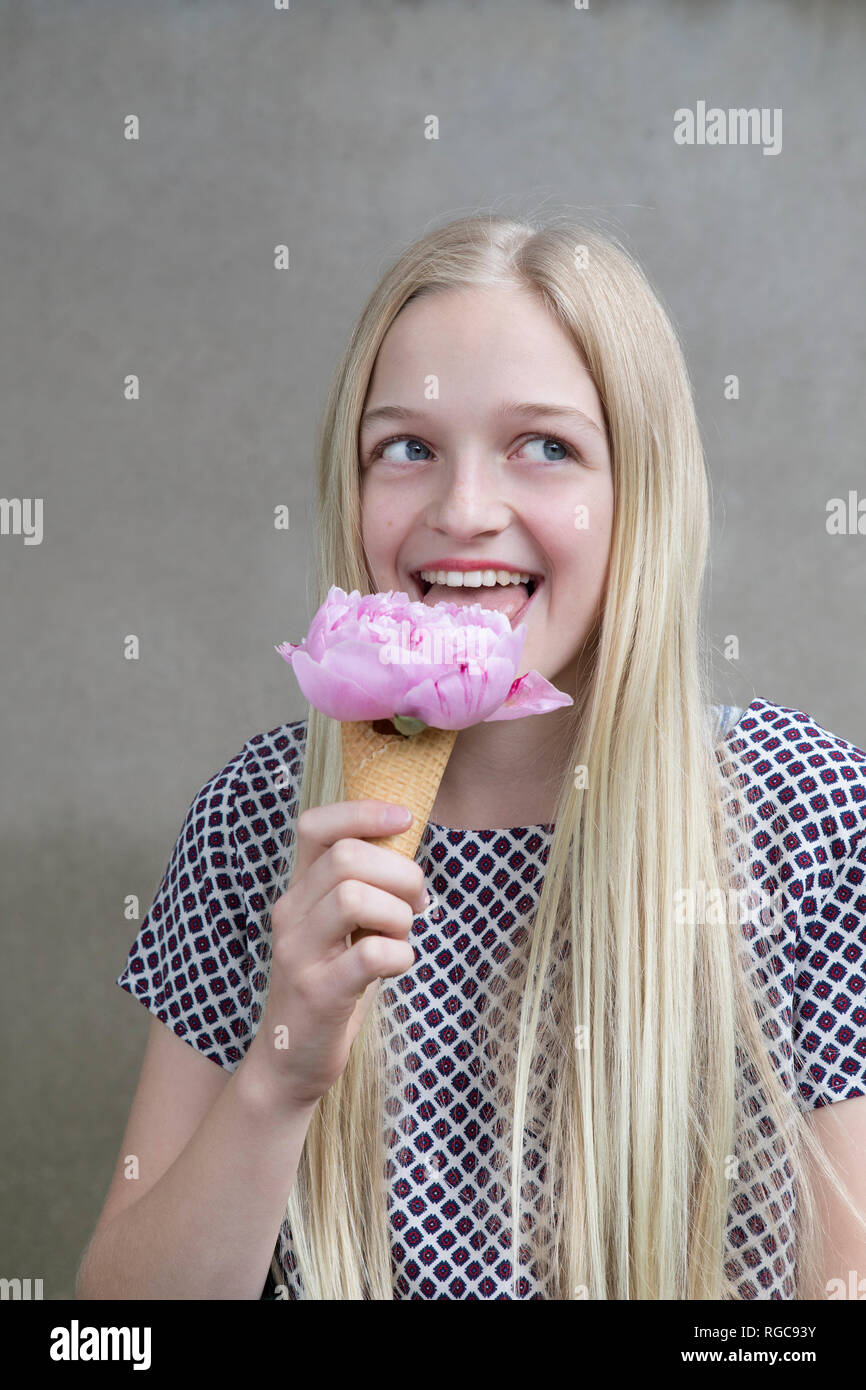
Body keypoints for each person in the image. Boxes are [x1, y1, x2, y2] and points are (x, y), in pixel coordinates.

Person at [76, 212, 866, 1301]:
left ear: (640, 488)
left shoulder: (801, 814)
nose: (463, 511)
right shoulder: (260, 816)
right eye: (407, 448)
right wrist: (279, 1072)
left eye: (543, 446)